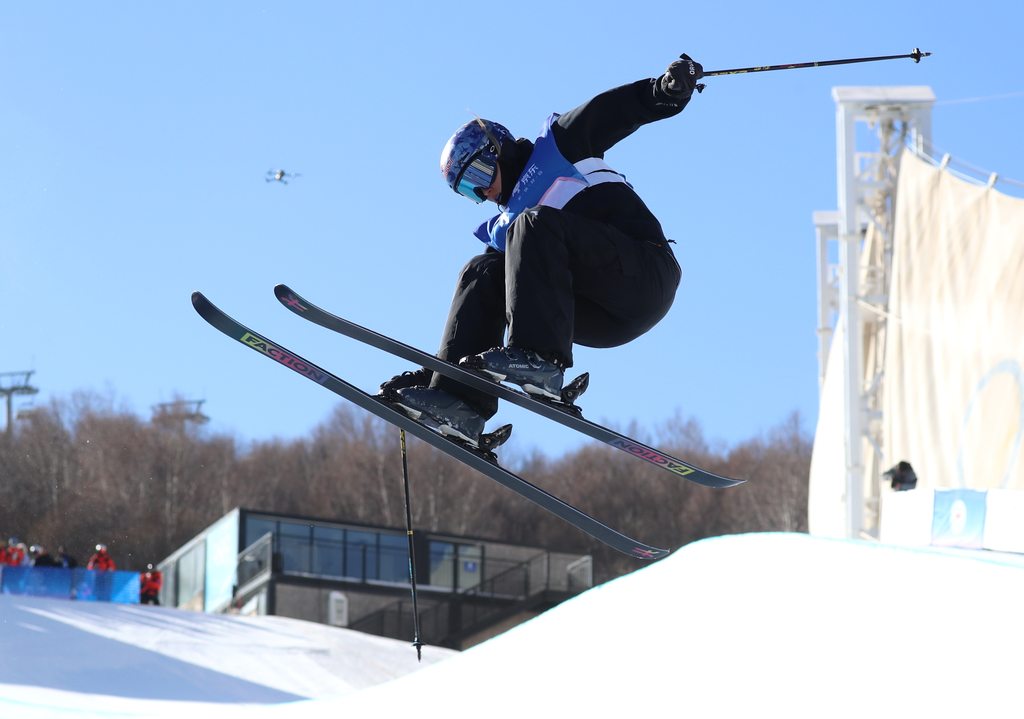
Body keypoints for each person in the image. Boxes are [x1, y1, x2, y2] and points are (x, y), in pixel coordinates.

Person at [380, 55, 704, 447]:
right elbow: (478, 308)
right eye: (468, 190)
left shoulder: (561, 145)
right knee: (481, 271)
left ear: (497, 148)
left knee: (533, 224)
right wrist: (433, 376)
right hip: (598, 317)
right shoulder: (509, 229)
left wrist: (664, 91)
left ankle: (540, 361)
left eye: (480, 175)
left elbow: (615, 111)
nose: (483, 192)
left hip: (644, 275)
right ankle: (458, 401)